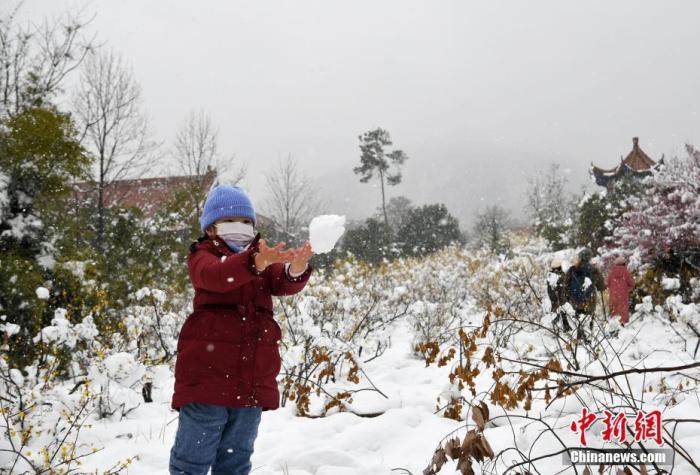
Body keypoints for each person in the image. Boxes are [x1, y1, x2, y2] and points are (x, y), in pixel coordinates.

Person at [169, 185, 314, 475]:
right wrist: (255, 262)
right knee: (191, 463)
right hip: (207, 381)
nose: (242, 227)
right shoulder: (202, 255)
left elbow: (281, 282)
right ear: (211, 228)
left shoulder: (260, 257)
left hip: (251, 384)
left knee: (235, 463)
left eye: (247, 222)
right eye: (232, 221)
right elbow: (218, 276)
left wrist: (295, 270)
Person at [561, 248, 606, 335]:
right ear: (589, 258)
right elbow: (601, 287)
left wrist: (567, 298)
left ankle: (578, 337)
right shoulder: (594, 270)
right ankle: (588, 338)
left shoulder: (572, 270)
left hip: (575, 302)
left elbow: (565, 286)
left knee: (577, 321)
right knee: (588, 321)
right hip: (589, 302)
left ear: (580, 258)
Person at [606, 255, 635, 324]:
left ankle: (614, 325)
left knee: (614, 310)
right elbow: (632, 284)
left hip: (613, 294)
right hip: (623, 295)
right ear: (624, 264)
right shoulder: (626, 272)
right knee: (623, 311)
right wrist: (627, 288)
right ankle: (622, 324)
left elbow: (607, 283)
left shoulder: (611, 272)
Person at [547, 258, 570, 331]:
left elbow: (550, 293)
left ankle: (558, 328)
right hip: (563, 302)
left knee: (558, 316)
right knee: (562, 315)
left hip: (556, 303)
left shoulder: (550, 277)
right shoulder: (563, 276)